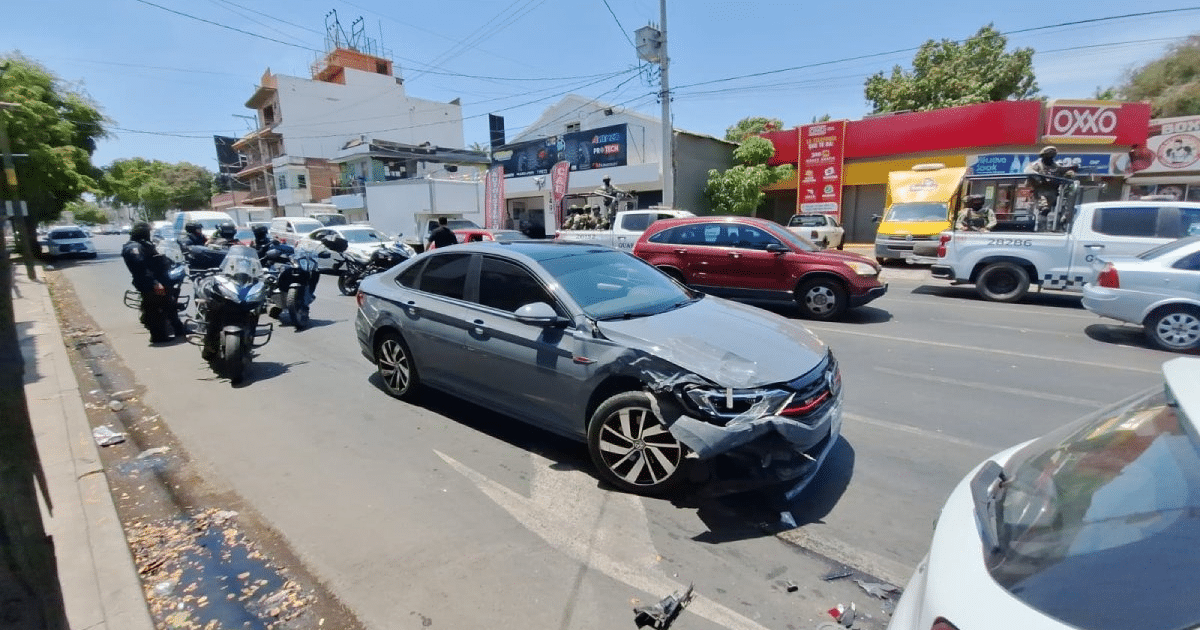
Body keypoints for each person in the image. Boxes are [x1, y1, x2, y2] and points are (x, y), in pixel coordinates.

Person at [122, 221, 186, 343]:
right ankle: (158, 337)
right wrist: (155, 283)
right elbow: (141, 269)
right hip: (149, 283)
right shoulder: (134, 248)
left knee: (169, 304)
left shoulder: (143, 244)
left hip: (159, 280)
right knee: (156, 310)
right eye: (147, 232)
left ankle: (178, 329)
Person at [1024, 146, 1076, 231]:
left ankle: (1059, 226)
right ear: (1044, 156)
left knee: (1061, 209)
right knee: (1044, 209)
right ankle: (1042, 228)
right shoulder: (1036, 165)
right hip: (1040, 191)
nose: (1050, 159)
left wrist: (1069, 173)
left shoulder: (1056, 166)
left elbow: (1064, 173)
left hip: (1053, 192)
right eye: (1048, 156)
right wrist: (1040, 177)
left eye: (1052, 156)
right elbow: (1027, 171)